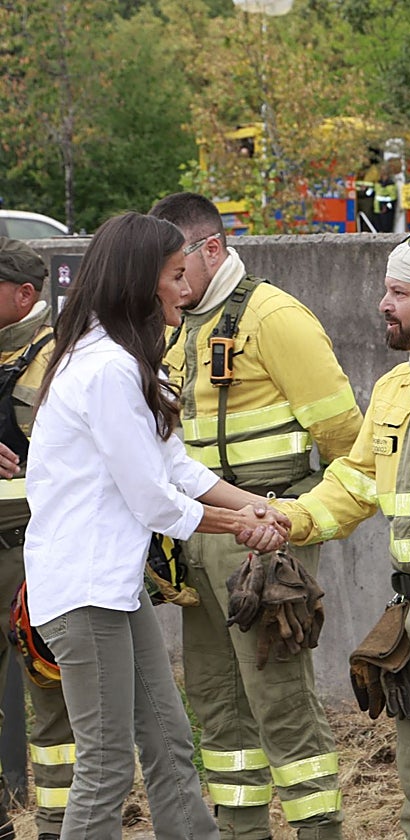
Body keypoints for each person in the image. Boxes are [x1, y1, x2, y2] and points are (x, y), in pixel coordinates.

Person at [22, 212, 290, 840]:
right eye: (174, 275)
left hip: (111, 589)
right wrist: (241, 526)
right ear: (141, 282)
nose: (185, 288)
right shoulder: (107, 369)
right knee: (108, 766)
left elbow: (176, 466)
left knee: (170, 743)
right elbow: (154, 502)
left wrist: (257, 506)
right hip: (85, 593)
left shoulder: (117, 359)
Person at [148, 193, 362, 840]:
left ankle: (317, 830)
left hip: (262, 537)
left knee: (281, 700)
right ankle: (241, 830)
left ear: (211, 249)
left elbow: (346, 437)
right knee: (215, 702)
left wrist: (297, 522)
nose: (170, 282)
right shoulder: (170, 325)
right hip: (194, 538)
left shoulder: (274, 317)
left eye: (177, 266)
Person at [275, 233, 410, 840]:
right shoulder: (395, 386)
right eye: (384, 290)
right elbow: (355, 482)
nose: (383, 303)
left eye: (400, 292)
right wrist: (286, 520)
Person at [0, 238, 75, 840]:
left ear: (25, 295)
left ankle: (57, 826)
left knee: (51, 698)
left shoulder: (61, 357)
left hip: (33, 553)